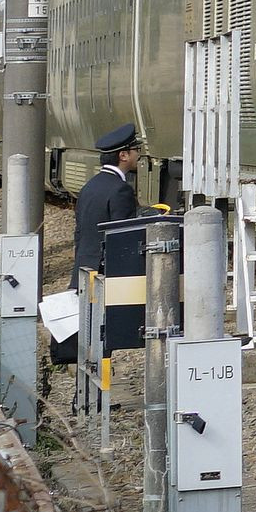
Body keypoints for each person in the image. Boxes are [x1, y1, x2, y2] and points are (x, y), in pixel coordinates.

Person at [70, 123, 148, 359]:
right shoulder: (120, 190)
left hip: (84, 269)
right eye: (135, 150)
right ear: (123, 155)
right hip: (105, 275)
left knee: (88, 338)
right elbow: (121, 239)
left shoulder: (89, 187)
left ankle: (86, 381)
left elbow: (80, 233)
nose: (138, 155)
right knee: (103, 338)